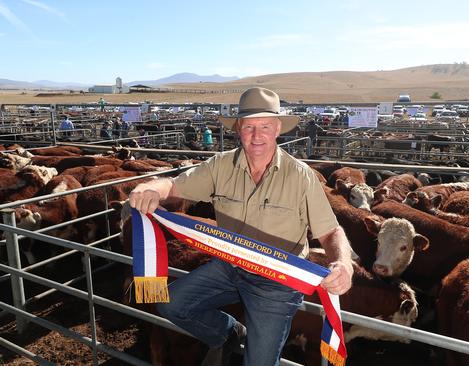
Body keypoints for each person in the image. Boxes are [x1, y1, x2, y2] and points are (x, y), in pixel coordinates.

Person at [129, 87, 353, 366]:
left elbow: (331, 232)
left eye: (265, 126)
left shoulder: (301, 176)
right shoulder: (220, 166)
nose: (256, 135)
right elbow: (174, 185)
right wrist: (151, 187)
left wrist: (343, 264)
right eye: (249, 127)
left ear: (277, 129)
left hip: (277, 282)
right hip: (229, 267)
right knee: (170, 304)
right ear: (238, 129)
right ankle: (229, 331)